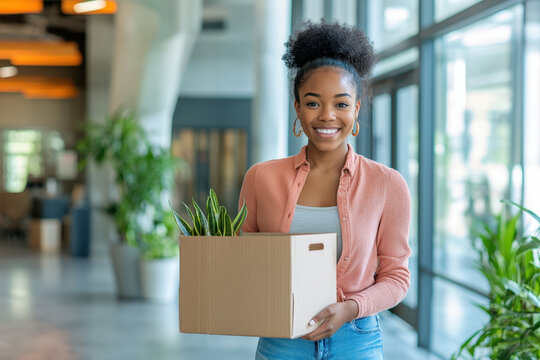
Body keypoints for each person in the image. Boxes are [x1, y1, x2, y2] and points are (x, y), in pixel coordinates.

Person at [239, 21, 412, 360]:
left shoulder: (388, 184)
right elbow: (246, 262)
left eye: (342, 104)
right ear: (297, 108)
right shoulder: (261, 178)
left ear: (357, 109)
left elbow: (397, 277)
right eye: (314, 103)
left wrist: (350, 307)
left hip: (356, 338)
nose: (328, 116)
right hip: (282, 339)